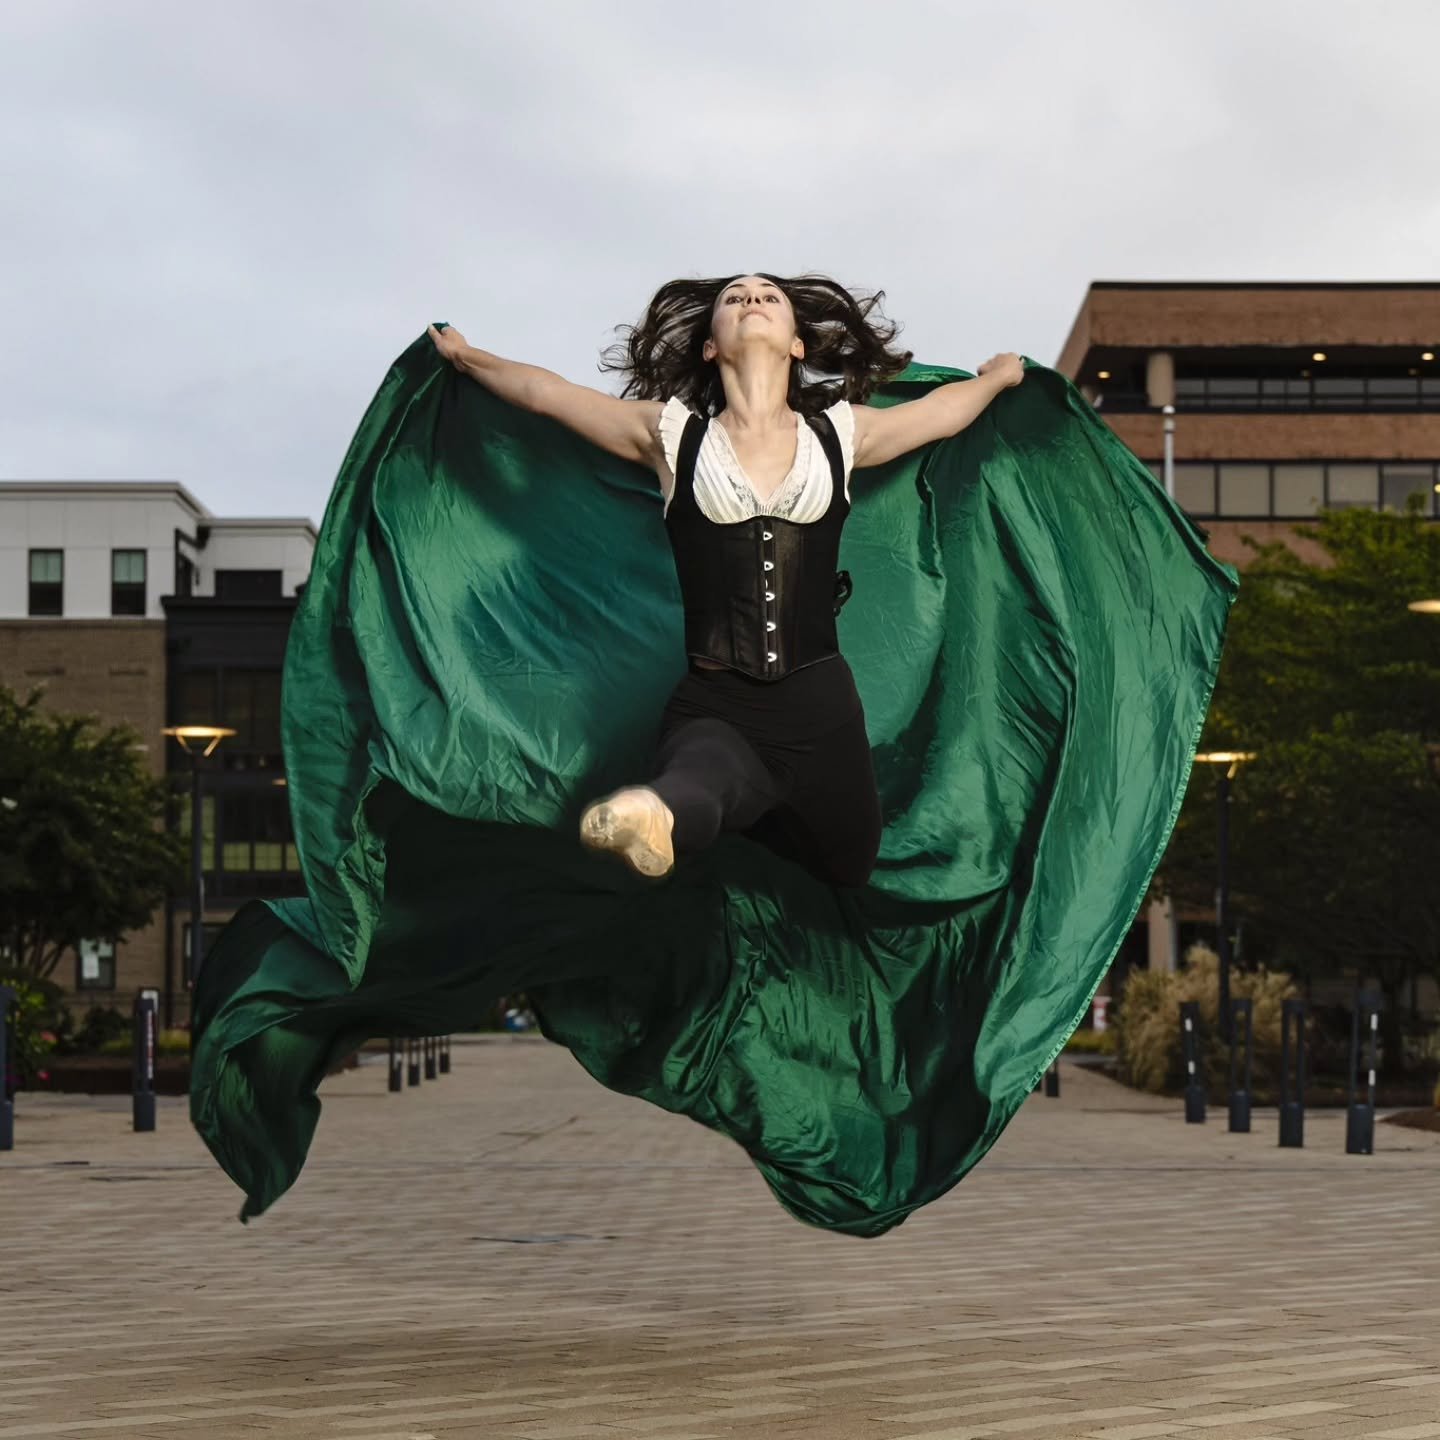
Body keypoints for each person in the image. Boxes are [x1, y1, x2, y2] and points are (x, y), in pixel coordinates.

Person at [427, 272, 1025, 888]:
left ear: (797, 344)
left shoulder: (843, 435)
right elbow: (546, 394)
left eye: (769, 297)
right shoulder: (671, 436)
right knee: (699, 776)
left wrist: (999, 377)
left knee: (849, 866)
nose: (751, 301)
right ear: (711, 346)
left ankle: (723, 829)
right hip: (717, 704)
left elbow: (943, 414)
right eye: (734, 298)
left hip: (823, 714)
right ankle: (650, 814)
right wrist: (467, 357)